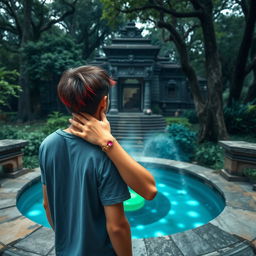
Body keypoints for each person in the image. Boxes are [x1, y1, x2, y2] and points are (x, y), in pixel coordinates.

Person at [39, 65, 157, 256]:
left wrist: (70, 241)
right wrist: (109, 143)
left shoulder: (48, 144)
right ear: (104, 102)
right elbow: (117, 226)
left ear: (67, 102)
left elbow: (47, 205)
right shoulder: (105, 155)